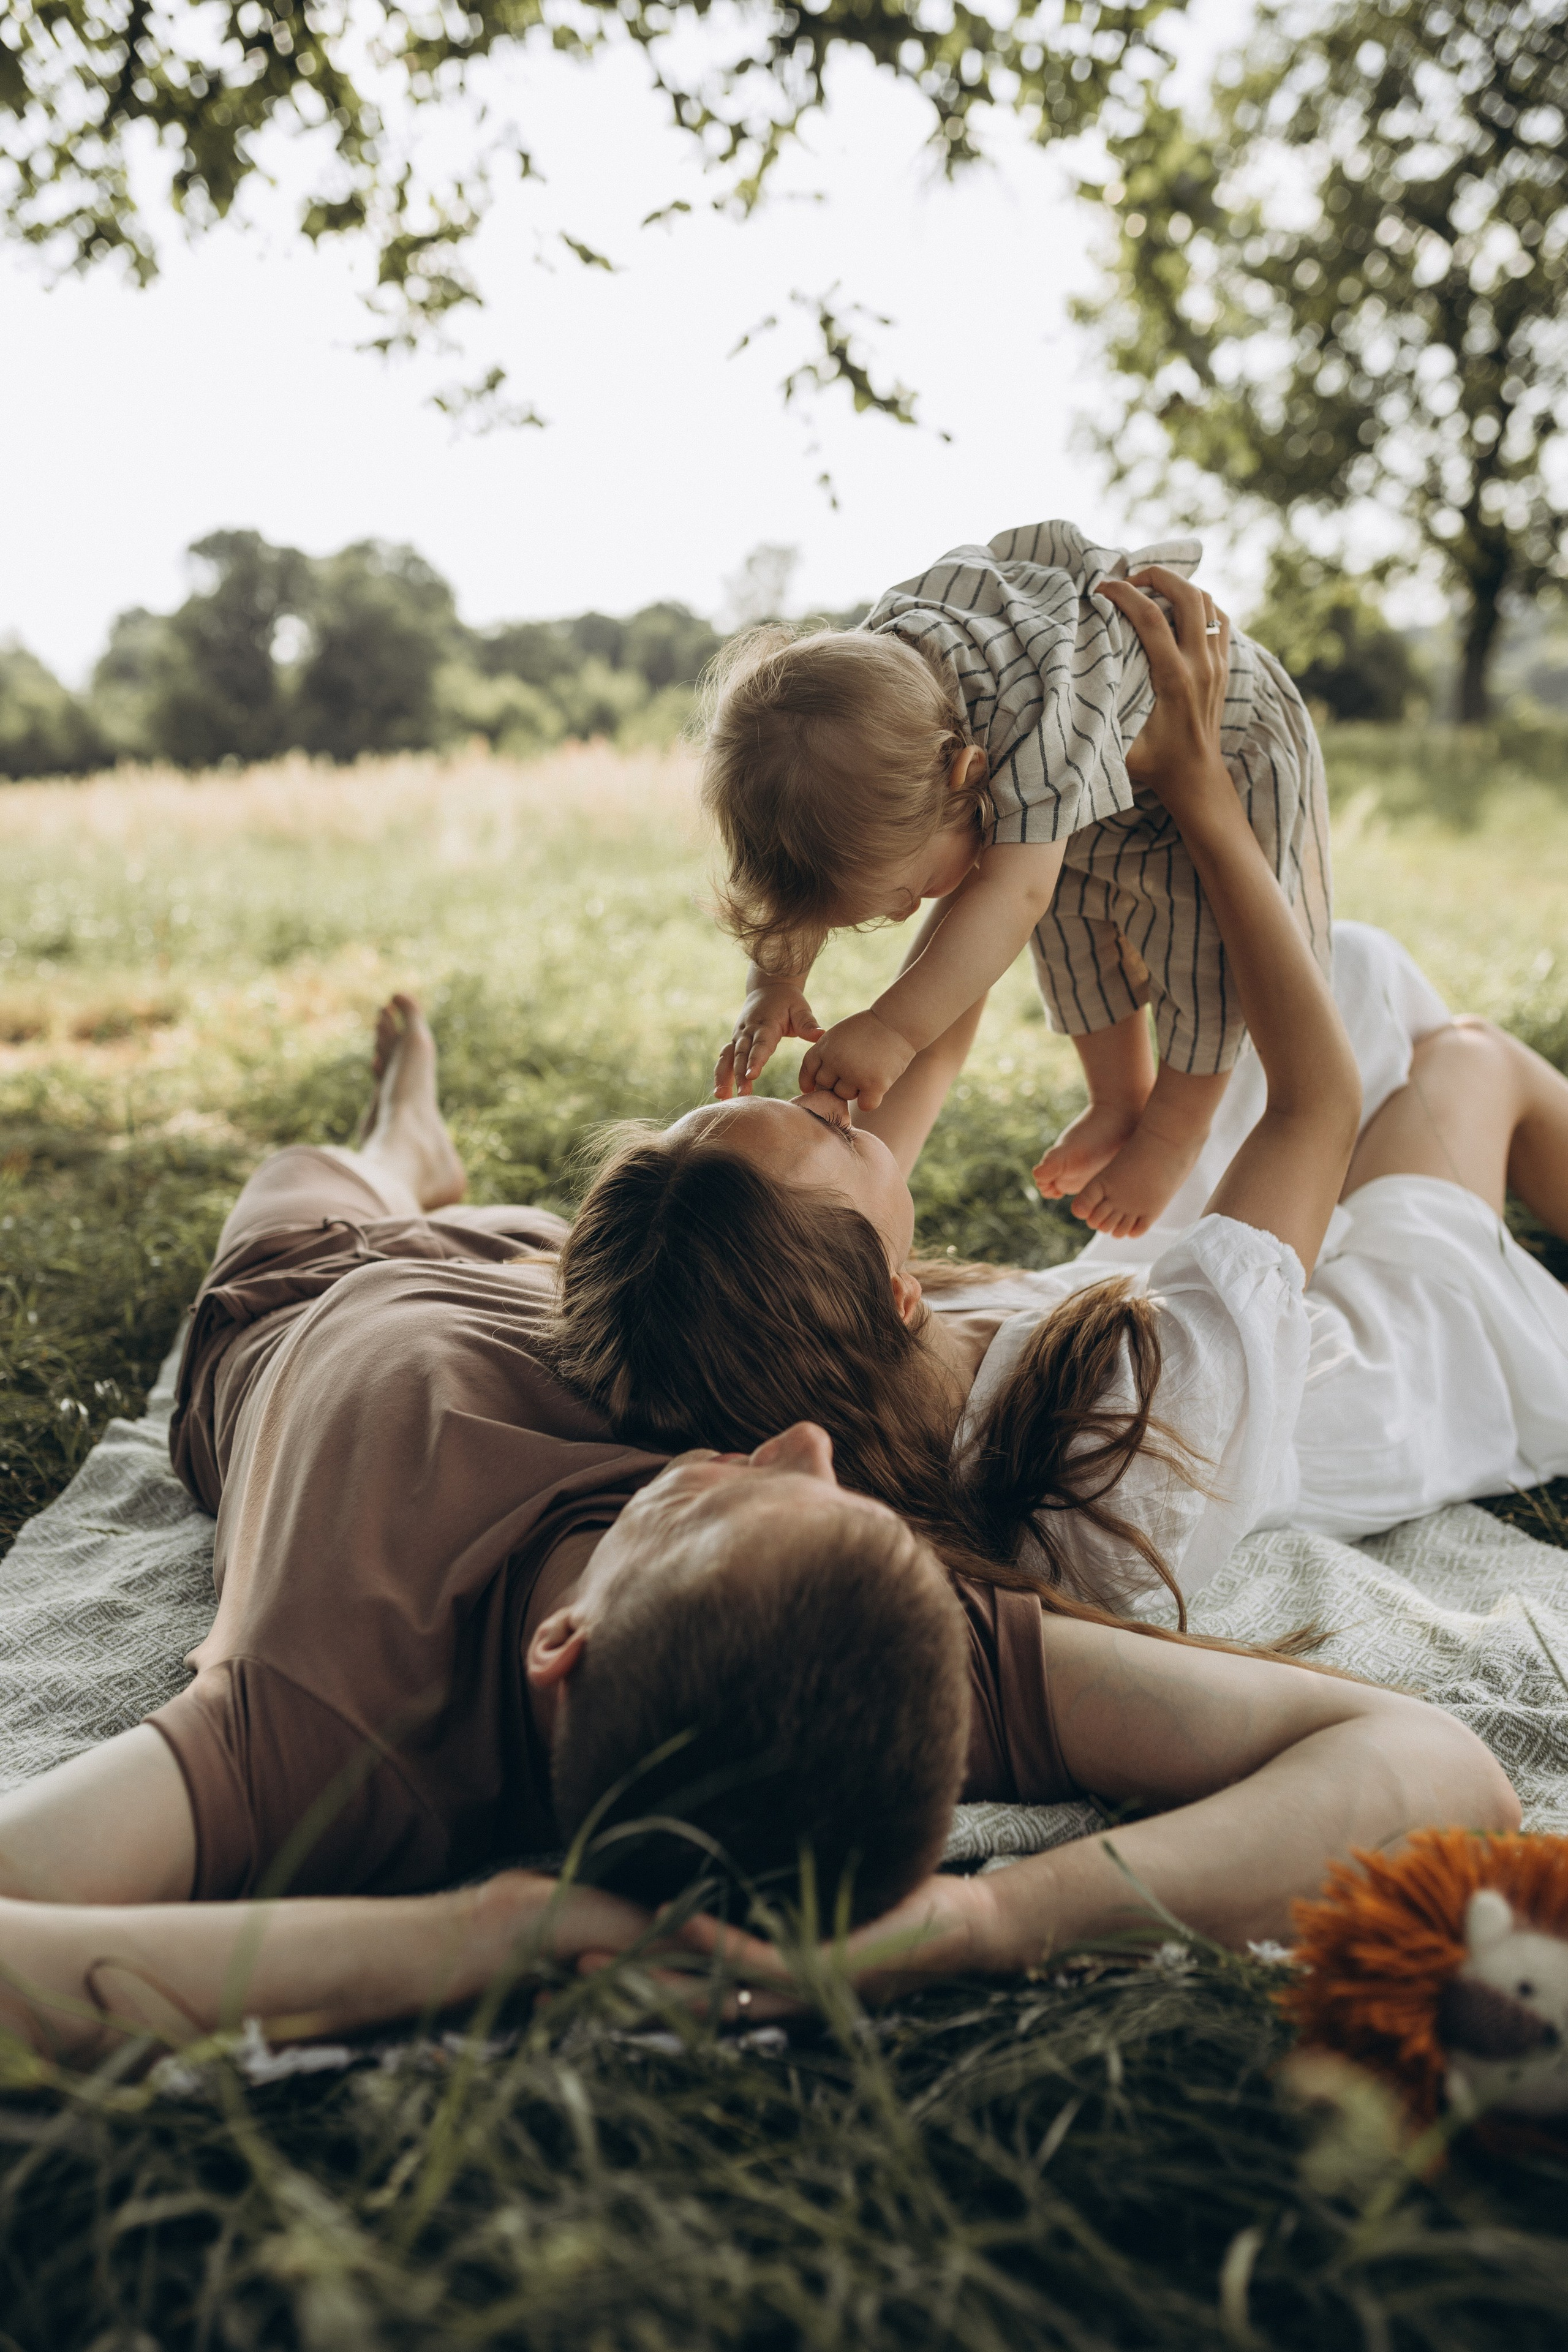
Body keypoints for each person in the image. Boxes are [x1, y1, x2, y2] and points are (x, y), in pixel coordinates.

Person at [0, 997, 1510, 2049]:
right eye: (839, 1496)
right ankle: (416, 1141)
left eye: (744, 1493)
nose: (797, 1448)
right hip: (594, 1272)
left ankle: (400, 1144)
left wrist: (489, 1933)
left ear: (559, 1640)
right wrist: (981, 1927)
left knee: (302, 1178)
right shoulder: (847, 1628)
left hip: (312, 1297)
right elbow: (1438, 1771)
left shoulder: (315, 1714)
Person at [562, 568, 1568, 1620]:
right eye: (833, 1131)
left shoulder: (835, 1345)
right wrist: (1198, 790)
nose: (839, 1107)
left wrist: (955, 816)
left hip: (1174, 1285)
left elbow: (935, 1049)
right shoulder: (1125, 1445)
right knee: (1468, 1059)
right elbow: (1313, 1104)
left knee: (1355, 966)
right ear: (894, 1291)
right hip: (1400, 1355)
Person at [704, 519, 1332, 1243]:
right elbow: (800, 855)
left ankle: (1171, 1133)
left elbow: (1013, 895)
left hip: (1226, 734)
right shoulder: (858, 711)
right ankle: (1117, 1098)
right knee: (1064, 926)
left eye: (906, 894)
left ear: (964, 775)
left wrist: (891, 1029)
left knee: (1201, 950)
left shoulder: (1027, 727)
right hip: (1104, 766)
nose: (913, 913)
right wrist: (774, 985)